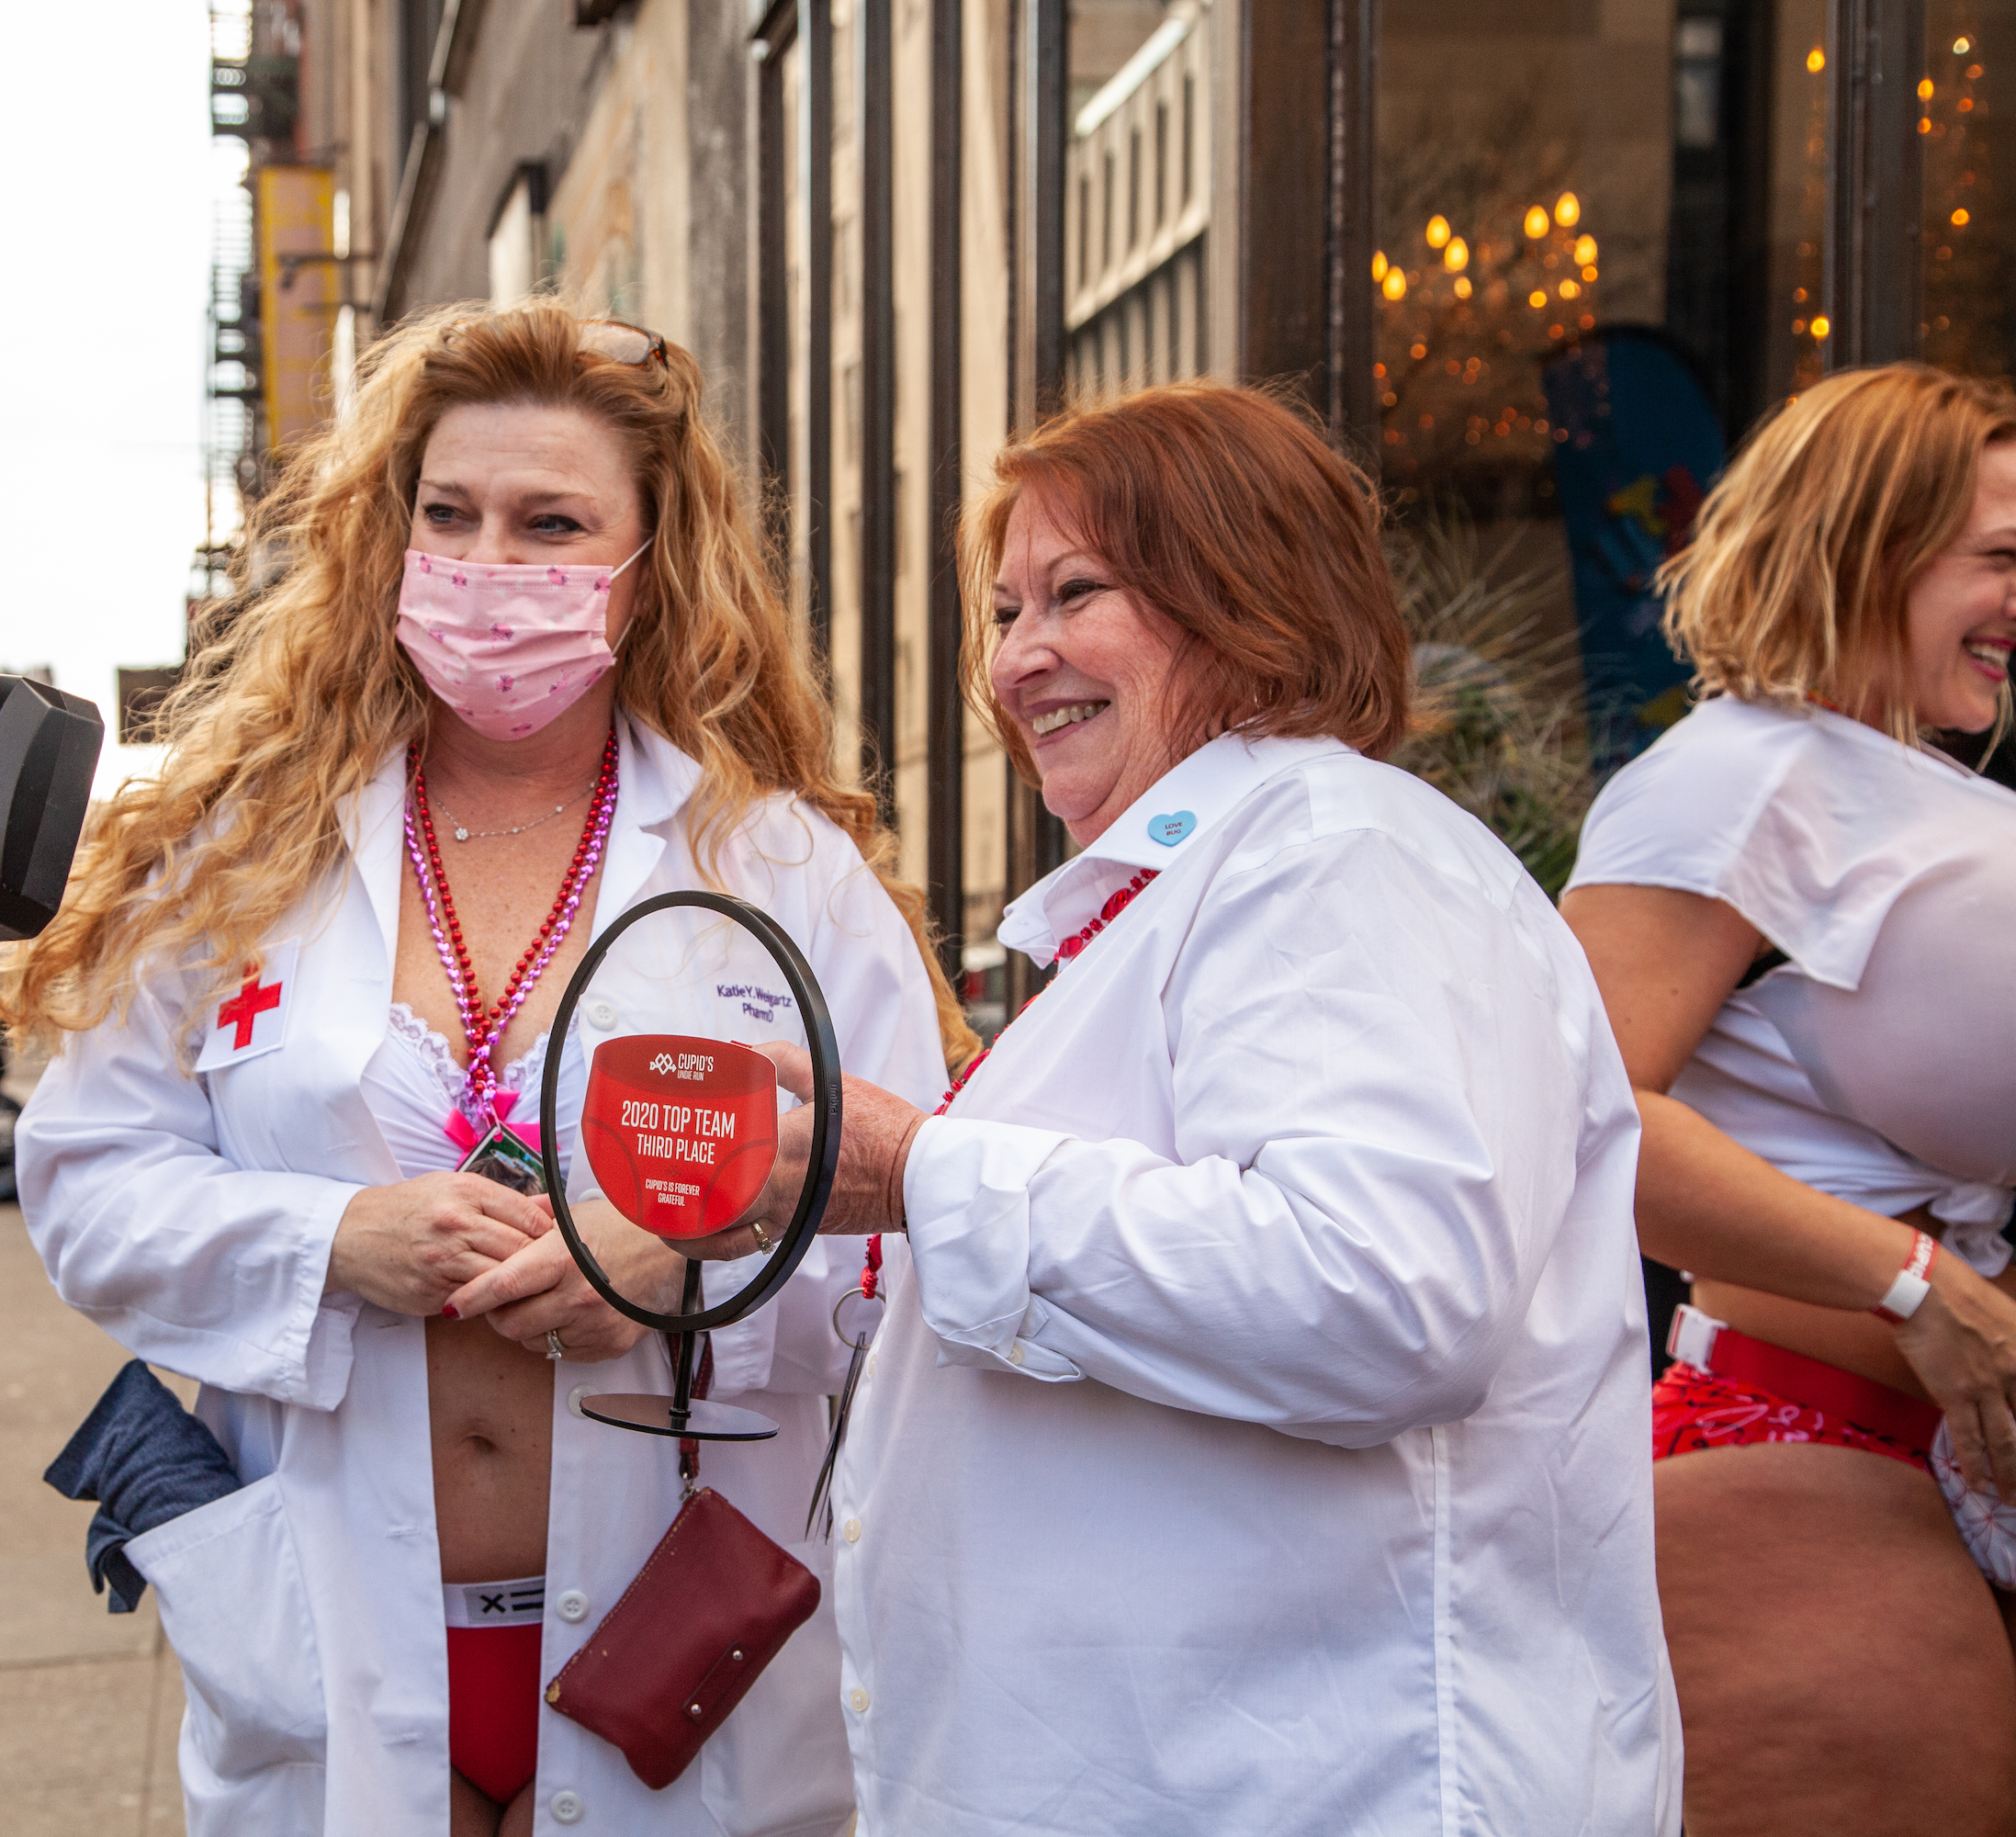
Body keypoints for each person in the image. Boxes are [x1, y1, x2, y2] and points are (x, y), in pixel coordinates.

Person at [0, 300, 964, 1837]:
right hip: (332, 1645)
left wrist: (687, 1262)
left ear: (648, 571)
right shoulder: (239, 858)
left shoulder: (782, 873)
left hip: (681, 1656)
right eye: (448, 515)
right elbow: (85, 1183)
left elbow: (911, 1236)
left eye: (551, 522)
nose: (490, 566)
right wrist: (328, 1242)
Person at [688, 383, 1677, 1833]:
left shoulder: (1335, 856)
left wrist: (919, 1172)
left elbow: (1387, 1293)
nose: (1019, 658)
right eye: (1008, 608)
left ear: (1249, 595)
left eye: (1076, 595)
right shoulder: (1211, 881)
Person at [1559, 364, 2016, 1835]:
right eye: (1998, 560)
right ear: (1869, 539)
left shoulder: (1915, 789)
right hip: (1814, 1470)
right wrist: (1915, 1285)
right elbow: (1574, 1113)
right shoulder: (1742, 777)